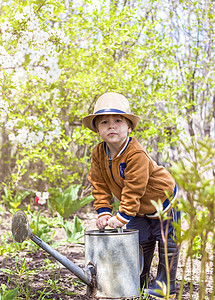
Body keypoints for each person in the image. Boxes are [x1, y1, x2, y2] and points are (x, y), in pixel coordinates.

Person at [82, 92, 180, 299]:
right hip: (136, 206)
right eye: (104, 122)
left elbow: (134, 187)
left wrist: (122, 215)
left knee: (165, 240)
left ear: (129, 127)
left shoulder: (136, 154)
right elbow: (98, 184)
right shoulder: (99, 153)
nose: (111, 126)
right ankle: (138, 278)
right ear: (97, 129)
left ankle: (166, 283)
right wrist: (103, 212)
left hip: (161, 198)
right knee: (138, 240)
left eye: (118, 120)